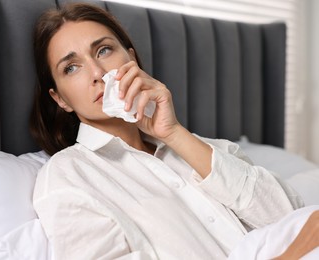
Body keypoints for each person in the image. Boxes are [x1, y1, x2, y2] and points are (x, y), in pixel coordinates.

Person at [30, 3, 314, 259]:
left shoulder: (201, 149)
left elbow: (293, 217)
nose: (96, 73)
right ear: (60, 99)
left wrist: (175, 134)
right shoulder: (68, 175)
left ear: (132, 60)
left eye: (104, 50)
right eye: (71, 67)